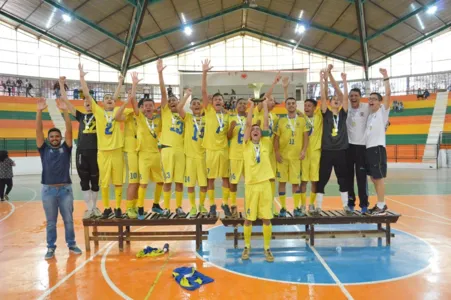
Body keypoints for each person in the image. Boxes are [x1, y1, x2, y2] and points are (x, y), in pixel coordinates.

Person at [36, 94, 82, 260]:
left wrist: (65, 112)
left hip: (65, 190)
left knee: (69, 220)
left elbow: (69, 131)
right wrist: (39, 112)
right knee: (51, 222)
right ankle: (50, 247)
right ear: (48, 139)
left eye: (57, 136)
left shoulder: (66, 148)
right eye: (52, 137)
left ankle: (72, 244)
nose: (54, 138)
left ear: (60, 138)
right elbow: (38, 131)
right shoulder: (43, 149)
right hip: (48, 191)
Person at [79, 64, 124, 219]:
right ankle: (106, 208)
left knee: (118, 181)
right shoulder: (98, 112)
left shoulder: (118, 111)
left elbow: (116, 98)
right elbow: (87, 94)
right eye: (106, 99)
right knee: (104, 182)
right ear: (102, 104)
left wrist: (120, 83)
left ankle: (118, 207)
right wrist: (82, 77)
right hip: (103, 152)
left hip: (117, 150)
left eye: (111, 98)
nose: (109, 99)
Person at [59, 77, 101, 219]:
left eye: (90, 102)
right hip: (82, 152)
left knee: (95, 181)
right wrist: (61, 84)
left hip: (96, 151)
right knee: (84, 181)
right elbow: (66, 101)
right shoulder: (80, 116)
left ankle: (95, 207)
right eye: (85, 102)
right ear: (83, 105)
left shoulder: (99, 116)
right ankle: (89, 209)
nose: (88, 104)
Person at [241, 99, 274, 262]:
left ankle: (267, 248)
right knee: (248, 218)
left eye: (257, 129)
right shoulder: (246, 145)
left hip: (265, 184)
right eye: (253, 129)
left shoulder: (266, 143)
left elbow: (266, 123)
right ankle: (247, 246)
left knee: (266, 217)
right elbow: (247, 124)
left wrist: (266, 105)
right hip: (251, 186)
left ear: (261, 134)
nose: (255, 130)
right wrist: (252, 106)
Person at [316, 65, 350, 214]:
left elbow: (344, 97)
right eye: (333, 99)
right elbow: (323, 97)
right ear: (329, 103)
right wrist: (322, 79)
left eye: (338, 99)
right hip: (327, 151)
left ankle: (346, 205)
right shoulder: (326, 113)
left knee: (343, 179)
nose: (336, 100)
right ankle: (318, 206)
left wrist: (344, 81)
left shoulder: (343, 113)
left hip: (341, 151)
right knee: (322, 178)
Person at [158, 59, 187, 217]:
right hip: (167, 150)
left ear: (179, 103)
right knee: (167, 181)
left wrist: (185, 96)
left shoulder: (183, 116)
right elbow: (163, 92)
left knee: (179, 182)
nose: (171, 102)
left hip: (180, 151)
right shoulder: (165, 112)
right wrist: (160, 73)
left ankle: (179, 207)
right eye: (169, 101)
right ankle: (167, 208)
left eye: (174, 100)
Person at [201, 59, 230, 217]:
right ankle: (212, 204)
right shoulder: (209, 111)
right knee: (210, 179)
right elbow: (204, 91)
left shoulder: (227, 116)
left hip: (223, 150)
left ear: (223, 103)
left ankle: (225, 204)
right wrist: (205, 72)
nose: (218, 101)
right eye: (216, 99)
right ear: (211, 103)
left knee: (225, 178)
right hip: (211, 151)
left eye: (220, 100)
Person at [115, 73, 146, 219]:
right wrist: (133, 86)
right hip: (130, 150)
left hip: (142, 151)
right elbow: (116, 117)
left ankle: (135, 206)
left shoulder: (143, 117)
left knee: (140, 181)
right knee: (133, 181)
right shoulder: (128, 114)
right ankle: (129, 208)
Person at [129, 97, 164, 219]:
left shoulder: (158, 121)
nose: (148, 107)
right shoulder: (140, 118)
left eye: (150, 105)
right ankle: (140, 208)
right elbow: (133, 103)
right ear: (142, 108)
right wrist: (133, 86)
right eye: (146, 105)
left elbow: (164, 107)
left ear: (154, 107)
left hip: (155, 154)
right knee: (143, 183)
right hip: (143, 155)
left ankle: (155, 204)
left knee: (161, 181)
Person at [274, 96, 309, 217]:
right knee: (282, 182)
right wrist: (277, 152)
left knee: (295, 183)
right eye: (289, 103)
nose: (291, 105)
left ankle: (296, 208)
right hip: (283, 157)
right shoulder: (281, 121)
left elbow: (306, 137)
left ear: (296, 105)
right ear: (286, 106)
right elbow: (276, 139)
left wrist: (304, 150)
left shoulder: (302, 120)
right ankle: (283, 208)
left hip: (296, 157)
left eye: (293, 103)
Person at [177, 91, 209, 217]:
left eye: (198, 103)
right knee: (190, 184)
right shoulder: (188, 118)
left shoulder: (207, 118)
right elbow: (179, 108)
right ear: (190, 107)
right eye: (193, 104)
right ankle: (193, 207)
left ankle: (201, 205)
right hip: (190, 156)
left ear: (202, 106)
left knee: (203, 184)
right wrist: (186, 96)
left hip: (203, 156)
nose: (196, 105)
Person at [366, 69, 391, 215]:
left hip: (377, 148)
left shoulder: (382, 112)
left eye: (374, 99)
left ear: (380, 102)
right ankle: (380, 204)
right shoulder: (370, 115)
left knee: (378, 177)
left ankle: (381, 206)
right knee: (373, 178)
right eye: (370, 99)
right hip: (369, 149)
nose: (371, 101)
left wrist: (385, 77)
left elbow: (388, 94)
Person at [345, 84, 370, 213]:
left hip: (362, 148)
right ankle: (350, 203)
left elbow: (381, 111)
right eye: (351, 96)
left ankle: (364, 205)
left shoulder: (366, 107)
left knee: (361, 177)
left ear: (360, 97)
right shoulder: (346, 107)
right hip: (348, 147)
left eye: (356, 96)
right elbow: (339, 93)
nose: (353, 98)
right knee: (349, 177)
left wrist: (386, 122)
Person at [299, 98, 323, 214]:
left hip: (315, 152)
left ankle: (311, 204)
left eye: (309, 106)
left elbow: (323, 100)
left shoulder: (319, 117)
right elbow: (289, 107)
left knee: (314, 181)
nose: (306, 108)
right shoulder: (301, 118)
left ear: (314, 108)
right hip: (304, 153)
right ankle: (302, 205)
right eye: (305, 105)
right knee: (303, 181)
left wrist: (324, 82)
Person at [227, 98, 247, 217]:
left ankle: (249, 204)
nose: (242, 105)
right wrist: (231, 128)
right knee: (233, 181)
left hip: (248, 155)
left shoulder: (250, 118)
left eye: (244, 103)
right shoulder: (231, 118)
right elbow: (228, 137)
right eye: (240, 103)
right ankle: (233, 205)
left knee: (249, 182)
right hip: (235, 155)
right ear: (236, 105)